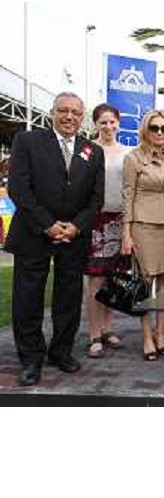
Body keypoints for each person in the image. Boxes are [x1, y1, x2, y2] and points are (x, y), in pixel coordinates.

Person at [5, 92, 104, 386]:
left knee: (69, 298)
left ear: (82, 117)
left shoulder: (92, 151)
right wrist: (48, 225)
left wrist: (75, 227)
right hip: (34, 234)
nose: (69, 117)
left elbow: (95, 199)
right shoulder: (27, 142)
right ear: (52, 113)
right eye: (63, 111)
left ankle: (61, 352)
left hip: (73, 237)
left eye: (75, 112)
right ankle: (31, 359)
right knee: (28, 299)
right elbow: (19, 189)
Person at [121, 111, 164, 362]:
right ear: (145, 130)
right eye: (155, 128)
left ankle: (161, 335)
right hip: (143, 226)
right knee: (145, 284)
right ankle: (147, 337)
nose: (159, 132)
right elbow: (128, 196)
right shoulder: (133, 158)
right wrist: (126, 232)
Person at [83, 104, 131, 358]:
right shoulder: (87, 150)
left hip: (120, 220)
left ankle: (107, 329)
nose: (108, 126)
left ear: (118, 123)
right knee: (94, 280)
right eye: (103, 122)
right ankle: (93, 334)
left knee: (112, 279)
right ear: (95, 124)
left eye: (112, 122)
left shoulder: (128, 152)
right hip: (94, 220)